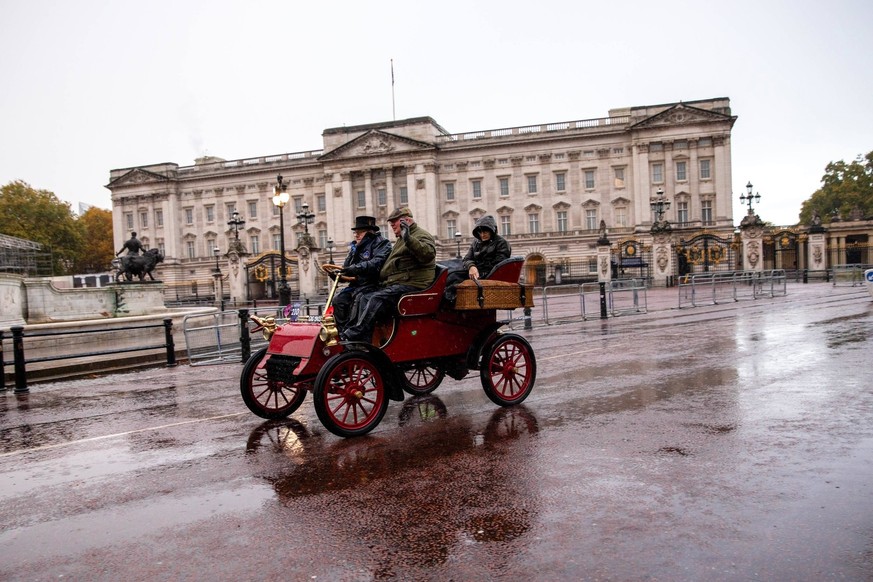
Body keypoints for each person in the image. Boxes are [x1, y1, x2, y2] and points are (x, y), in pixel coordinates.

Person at [341, 207, 436, 343]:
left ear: (406, 221)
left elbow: (427, 254)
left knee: (376, 298)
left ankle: (357, 333)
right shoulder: (401, 239)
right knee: (363, 297)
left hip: (413, 284)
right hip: (399, 283)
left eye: (394, 222)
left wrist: (408, 238)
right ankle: (365, 339)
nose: (391, 226)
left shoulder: (420, 235)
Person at [331, 215, 391, 331]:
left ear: (370, 232)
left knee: (359, 300)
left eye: (360, 232)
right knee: (338, 300)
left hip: (373, 284)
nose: (356, 235)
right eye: (355, 232)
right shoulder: (355, 248)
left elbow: (376, 263)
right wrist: (337, 275)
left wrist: (355, 268)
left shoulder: (382, 243)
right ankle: (342, 331)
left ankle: (357, 334)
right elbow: (347, 269)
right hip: (356, 286)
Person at [443, 215, 511, 303]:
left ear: (492, 230)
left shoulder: (502, 243)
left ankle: (452, 301)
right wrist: (471, 266)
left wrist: (477, 268)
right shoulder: (476, 242)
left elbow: (499, 265)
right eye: (480, 232)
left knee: (452, 277)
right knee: (449, 274)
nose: (482, 235)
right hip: (474, 272)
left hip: (488, 275)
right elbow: (467, 259)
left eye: (485, 232)